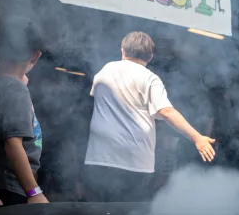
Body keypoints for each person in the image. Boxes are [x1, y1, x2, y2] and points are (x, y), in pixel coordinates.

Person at [83, 31, 216, 202]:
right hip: (134, 160)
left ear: (123, 50)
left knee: (97, 211)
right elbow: (166, 111)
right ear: (150, 56)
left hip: (100, 156)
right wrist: (197, 138)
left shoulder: (105, 70)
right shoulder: (150, 79)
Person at [0, 19, 48, 211]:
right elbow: (13, 144)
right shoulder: (15, 90)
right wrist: (34, 193)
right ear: (35, 56)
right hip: (6, 189)